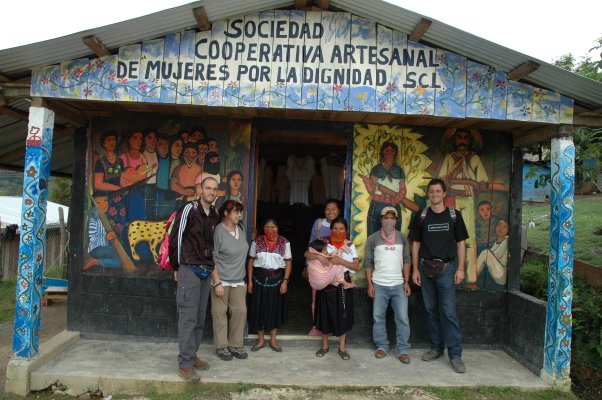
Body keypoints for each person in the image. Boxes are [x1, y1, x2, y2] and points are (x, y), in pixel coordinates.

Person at [410, 178, 469, 373]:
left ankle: (455, 354)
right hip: (425, 269)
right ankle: (436, 348)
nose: (434, 194)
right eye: (432, 191)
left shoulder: (454, 216)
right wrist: (415, 270)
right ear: (429, 194)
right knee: (430, 310)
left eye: (438, 191)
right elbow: (416, 243)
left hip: (447, 268)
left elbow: (461, 243)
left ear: (444, 194)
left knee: (449, 312)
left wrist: (461, 268)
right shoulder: (422, 215)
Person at [168, 175, 220, 383]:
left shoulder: (215, 214)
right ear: (200, 189)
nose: (211, 192)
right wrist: (176, 265)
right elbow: (176, 237)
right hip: (188, 268)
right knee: (188, 318)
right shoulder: (189, 209)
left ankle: (193, 355)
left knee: (199, 318)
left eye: (215, 189)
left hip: (206, 271)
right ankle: (185, 365)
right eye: (208, 188)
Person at [438, 128, 505, 288]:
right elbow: (441, 180)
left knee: (469, 237)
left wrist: (473, 183)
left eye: (465, 138)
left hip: (467, 200)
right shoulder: (449, 158)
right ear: (454, 140)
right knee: (447, 237)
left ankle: (471, 279)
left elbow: (481, 181)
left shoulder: (473, 158)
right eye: (459, 137)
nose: (462, 140)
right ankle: (445, 275)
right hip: (450, 200)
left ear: (469, 140)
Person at [305, 217, 359, 360]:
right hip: (325, 284)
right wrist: (319, 256)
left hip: (342, 284)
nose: (338, 231)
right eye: (335, 228)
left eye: (341, 229)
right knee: (324, 315)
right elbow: (307, 253)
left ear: (346, 231)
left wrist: (340, 261)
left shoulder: (350, 245)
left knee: (343, 316)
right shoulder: (324, 242)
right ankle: (324, 346)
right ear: (331, 229)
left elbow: (356, 266)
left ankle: (342, 348)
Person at [364, 206, 412, 364]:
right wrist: (370, 284)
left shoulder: (402, 238)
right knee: (378, 317)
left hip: (398, 284)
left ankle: (402, 349)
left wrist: (406, 281)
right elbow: (368, 263)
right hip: (379, 284)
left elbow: (407, 260)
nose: (389, 220)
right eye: (386, 217)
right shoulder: (373, 238)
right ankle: (382, 346)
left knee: (403, 318)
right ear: (381, 219)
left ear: (396, 220)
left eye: (392, 217)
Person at [211, 200, 250, 361]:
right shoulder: (218, 232)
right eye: (236, 212)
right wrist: (217, 282)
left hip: (238, 279)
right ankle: (221, 346)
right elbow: (211, 258)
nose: (239, 215)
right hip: (221, 280)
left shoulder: (240, 229)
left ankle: (235, 345)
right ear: (226, 213)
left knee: (240, 311)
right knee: (220, 313)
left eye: (240, 212)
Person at [247, 217, 292, 352]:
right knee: (259, 308)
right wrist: (249, 281)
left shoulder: (284, 242)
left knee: (274, 309)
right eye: (267, 227)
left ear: (278, 228)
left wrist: (285, 281)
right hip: (258, 279)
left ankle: (273, 340)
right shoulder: (258, 241)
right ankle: (261, 340)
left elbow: (288, 262)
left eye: (273, 227)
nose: (270, 230)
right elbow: (250, 261)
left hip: (277, 280)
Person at [306, 199, 342, 336]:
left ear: (339, 211)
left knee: (333, 300)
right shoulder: (319, 224)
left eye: (334, 209)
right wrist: (309, 265)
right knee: (316, 300)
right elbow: (310, 247)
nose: (331, 211)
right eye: (328, 209)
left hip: (335, 270)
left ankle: (333, 328)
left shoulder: (341, 224)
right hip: (317, 269)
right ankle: (317, 327)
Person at [361, 141, 407, 236]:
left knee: (395, 235)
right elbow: (372, 191)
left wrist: (401, 195)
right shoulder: (376, 169)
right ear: (382, 152)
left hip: (394, 204)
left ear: (395, 153)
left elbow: (403, 188)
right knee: (373, 233)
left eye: (392, 151)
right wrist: (367, 183)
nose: (389, 153)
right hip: (378, 204)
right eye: (386, 150)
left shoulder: (399, 170)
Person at [93, 130, 126, 240]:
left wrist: (125, 188)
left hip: (119, 199)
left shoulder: (120, 161)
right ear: (104, 144)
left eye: (114, 140)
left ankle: (120, 247)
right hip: (106, 199)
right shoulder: (100, 162)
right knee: (108, 224)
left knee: (121, 223)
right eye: (109, 140)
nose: (112, 142)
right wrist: (117, 188)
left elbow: (122, 180)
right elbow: (98, 184)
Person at [84, 192, 121, 271]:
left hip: (103, 246)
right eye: (98, 203)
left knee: (120, 254)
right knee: (120, 261)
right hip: (96, 249)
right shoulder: (94, 218)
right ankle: (95, 261)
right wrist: (106, 238)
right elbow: (92, 238)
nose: (104, 205)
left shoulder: (104, 215)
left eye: (105, 201)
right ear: (94, 204)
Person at [476, 218, 509, 286]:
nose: (501, 228)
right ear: (496, 227)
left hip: (501, 274)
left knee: (485, 253)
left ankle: (472, 276)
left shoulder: (506, 241)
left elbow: (496, 255)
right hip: (496, 271)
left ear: (508, 230)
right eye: (499, 225)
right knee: (482, 255)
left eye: (505, 226)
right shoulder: (496, 242)